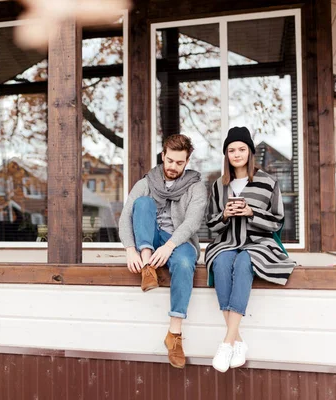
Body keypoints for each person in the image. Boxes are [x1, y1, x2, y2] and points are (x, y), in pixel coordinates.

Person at [205, 126, 296, 373]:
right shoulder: (218, 185)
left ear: (250, 152)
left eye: (241, 149)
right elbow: (210, 224)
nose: (236, 154)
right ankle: (238, 342)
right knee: (222, 263)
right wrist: (224, 215)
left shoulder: (268, 182)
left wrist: (251, 212)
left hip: (259, 244)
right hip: (227, 242)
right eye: (231, 150)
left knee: (244, 262)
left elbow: (277, 222)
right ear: (226, 154)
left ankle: (227, 343)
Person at [118, 134, 207, 369]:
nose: (173, 167)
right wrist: (130, 249)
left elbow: (192, 223)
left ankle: (174, 334)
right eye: (169, 161)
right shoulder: (147, 182)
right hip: (150, 241)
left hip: (177, 241)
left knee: (186, 264)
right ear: (163, 156)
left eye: (179, 163)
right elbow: (126, 216)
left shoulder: (196, 186)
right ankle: (148, 268)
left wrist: (169, 246)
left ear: (187, 162)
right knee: (143, 204)